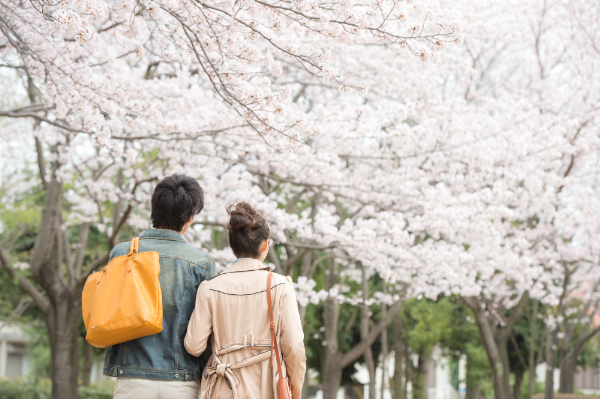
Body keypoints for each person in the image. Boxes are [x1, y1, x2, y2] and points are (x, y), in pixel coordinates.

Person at [105, 174, 216, 399]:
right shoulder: (202, 263)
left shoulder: (121, 253)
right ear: (190, 217)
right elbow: (209, 329)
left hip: (131, 378)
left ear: (154, 208)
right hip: (183, 381)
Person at [184, 202, 306, 399]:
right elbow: (294, 348)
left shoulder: (210, 288)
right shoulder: (280, 286)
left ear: (233, 247)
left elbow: (194, 346)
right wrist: (295, 390)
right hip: (268, 389)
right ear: (265, 245)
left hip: (224, 388)